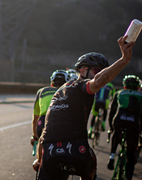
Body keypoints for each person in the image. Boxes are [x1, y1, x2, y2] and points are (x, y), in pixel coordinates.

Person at [33, 35, 135, 180]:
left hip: (48, 151)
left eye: (102, 71)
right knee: (90, 167)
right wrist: (124, 60)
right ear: (82, 71)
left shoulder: (61, 90)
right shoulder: (81, 85)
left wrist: (39, 159)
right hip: (76, 150)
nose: (99, 75)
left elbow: (46, 129)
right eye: (96, 71)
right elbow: (98, 82)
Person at [107, 75, 142, 180]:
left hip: (119, 119)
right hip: (134, 122)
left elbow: (112, 112)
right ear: (137, 87)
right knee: (130, 154)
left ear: (125, 86)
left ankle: (112, 155)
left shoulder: (119, 93)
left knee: (116, 133)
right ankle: (129, 176)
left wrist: (111, 127)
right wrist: (139, 132)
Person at [31, 70, 69, 147]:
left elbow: (35, 119)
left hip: (43, 121)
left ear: (52, 84)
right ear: (66, 84)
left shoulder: (41, 92)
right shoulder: (69, 92)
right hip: (62, 123)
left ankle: (40, 158)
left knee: (42, 140)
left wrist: (34, 137)